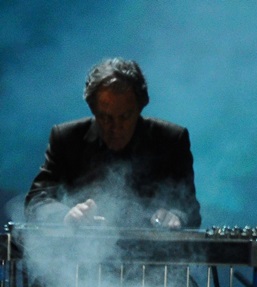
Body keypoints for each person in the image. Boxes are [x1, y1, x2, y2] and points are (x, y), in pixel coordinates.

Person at [24, 57, 201, 229]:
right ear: (92, 109)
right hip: (80, 255)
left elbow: (190, 210)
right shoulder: (67, 139)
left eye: (125, 117)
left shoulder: (171, 140)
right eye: (105, 117)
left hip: (152, 254)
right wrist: (66, 215)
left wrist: (177, 216)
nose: (115, 127)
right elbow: (36, 201)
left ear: (141, 107)